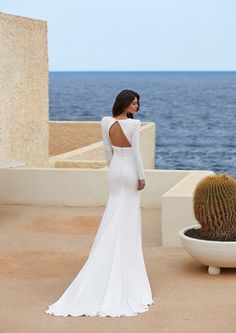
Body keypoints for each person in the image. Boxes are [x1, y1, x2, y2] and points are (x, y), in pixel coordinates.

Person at [45, 89, 154, 317]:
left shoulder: (105, 122)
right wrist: (142, 176)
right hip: (130, 171)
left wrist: (112, 166)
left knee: (114, 213)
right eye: (134, 103)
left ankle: (104, 259)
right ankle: (123, 271)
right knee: (128, 220)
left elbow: (106, 149)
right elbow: (136, 154)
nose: (137, 106)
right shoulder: (134, 125)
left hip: (114, 170)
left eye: (137, 103)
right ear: (124, 104)